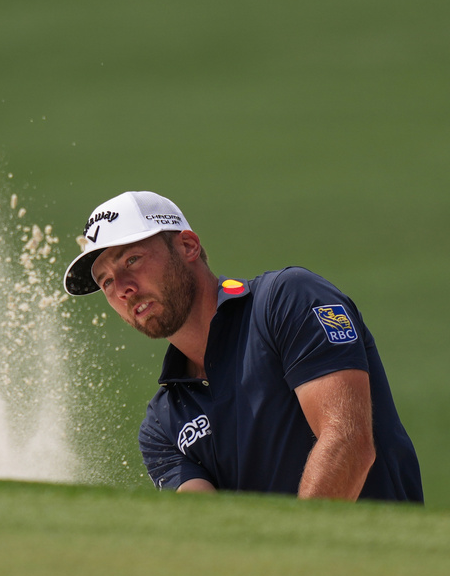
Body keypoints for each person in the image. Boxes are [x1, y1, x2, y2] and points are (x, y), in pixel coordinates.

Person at [63, 190, 423, 502]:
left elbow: (349, 442)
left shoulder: (288, 300)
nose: (122, 287)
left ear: (188, 246)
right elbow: (211, 531)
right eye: (106, 281)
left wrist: (290, 567)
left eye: (132, 260)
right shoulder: (162, 427)